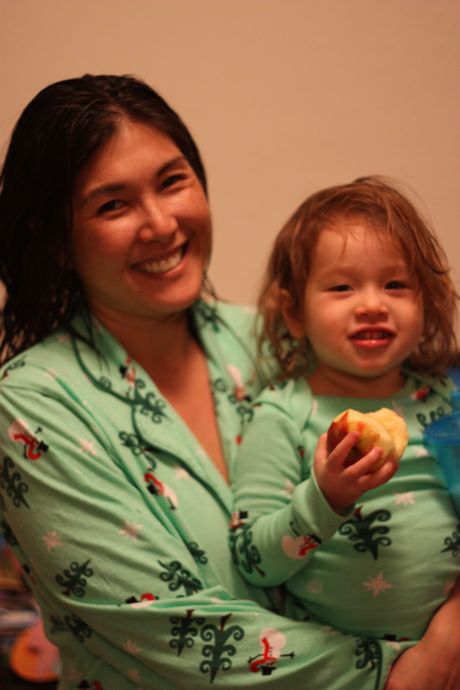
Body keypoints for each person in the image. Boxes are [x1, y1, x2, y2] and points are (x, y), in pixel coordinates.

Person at [0, 77, 458, 690]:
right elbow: (168, 631)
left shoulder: (278, 343)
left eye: (172, 181)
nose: (161, 224)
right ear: (57, 240)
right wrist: (404, 673)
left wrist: (450, 632)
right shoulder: (31, 403)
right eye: (113, 204)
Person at [231, 177, 460, 648]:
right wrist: (325, 499)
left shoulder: (444, 399)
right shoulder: (283, 415)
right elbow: (254, 560)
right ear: (294, 314)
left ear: (427, 301)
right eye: (342, 287)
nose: (373, 305)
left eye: (396, 284)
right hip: (340, 664)